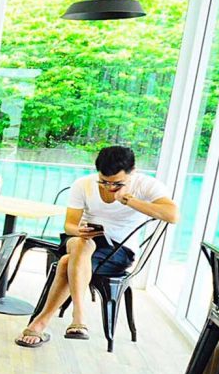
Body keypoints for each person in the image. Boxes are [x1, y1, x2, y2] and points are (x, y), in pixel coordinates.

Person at [16, 145, 179, 347]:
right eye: (104, 181)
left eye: (117, 183)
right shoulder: (83, 184)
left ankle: (43, 323)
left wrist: (128, 200)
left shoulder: (146, 185)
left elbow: (172, 215)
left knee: (67, 262)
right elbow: (69, 225)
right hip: (81, 238)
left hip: (118, 250)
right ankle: (78, 317)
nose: (109, 187)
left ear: (132, 172)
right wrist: (79, 231)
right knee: (81, 244)